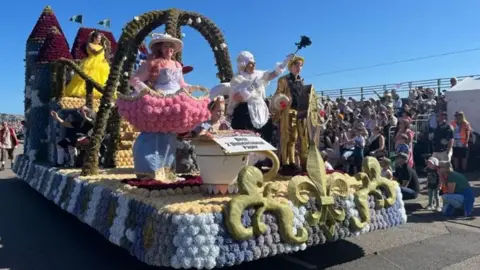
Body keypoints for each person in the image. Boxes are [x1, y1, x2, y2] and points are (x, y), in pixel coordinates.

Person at [128, 33, 197, 180]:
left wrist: (192, 88)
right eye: (166, 46)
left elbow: (181, 84)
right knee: (154, 135)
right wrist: (147, 92)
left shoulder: (177, 65)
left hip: (175, 102)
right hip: (158, 102)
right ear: (160, 48)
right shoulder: (153, 63)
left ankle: (167, 171)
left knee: (169, 136)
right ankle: (148, 170)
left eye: (172, 47)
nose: (170, 49)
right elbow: (134, 80)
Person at [227, 51, 292, 141]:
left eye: (254, 63)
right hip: (245, 112)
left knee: (266, 136)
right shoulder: (238, 78)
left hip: (262, 110)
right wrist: (251, 87)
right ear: (244, 65)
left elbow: (273, 74)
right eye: (250, 64)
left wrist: (285, 62)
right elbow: (237, 97)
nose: (253, 65)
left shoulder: (259, 74)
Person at [271, 55, 310, 174]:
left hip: (298, 113)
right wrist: (284, 99)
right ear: (291, 66)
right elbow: (277, 95)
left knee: (294, 138)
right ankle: (285, 162)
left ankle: (292, 161)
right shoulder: (283, 80)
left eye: (300, 65)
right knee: (285, 138)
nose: (299, 67)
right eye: (296, 65)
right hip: (287, 112)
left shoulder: (301, 81)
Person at [64, 31, 111, 99]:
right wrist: (103, 47)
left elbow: (105, 51)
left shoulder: (100, 46)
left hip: (101, 65)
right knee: (87, 78)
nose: (100, 40)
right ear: (94, 38)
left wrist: (105, 39)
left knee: (101, 80)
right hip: (91, 63)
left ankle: (99, 94)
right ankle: (83, 94)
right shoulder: (90, 44)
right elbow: (95, 53)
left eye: (100, 38)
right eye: (98, 38)